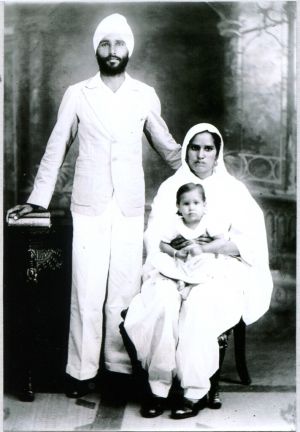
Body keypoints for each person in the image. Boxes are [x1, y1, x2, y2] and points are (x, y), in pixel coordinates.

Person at [7, 13, 182, 399]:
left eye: (119, 43)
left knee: (123, 290)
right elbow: (56, 148)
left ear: (129, 50)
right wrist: (37, 201)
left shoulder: (144, 95)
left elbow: (166, 144)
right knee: (85, 291)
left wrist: (200, 173)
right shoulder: (78, 93)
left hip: (130, 206)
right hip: (88, 205)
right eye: (105, 44)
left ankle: (117, 368)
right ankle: (81, 371)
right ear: (97, 50)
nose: (112, 50)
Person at [123, 122, 273, 419]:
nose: (201, 155)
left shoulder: (234, 190)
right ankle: (159, 388)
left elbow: (250, 243)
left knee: (200, 305)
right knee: (163, 304)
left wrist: (211, 246)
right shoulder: (170, 188)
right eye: (194, 147)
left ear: (217, 153)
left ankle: (194, 390)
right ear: (186, 150)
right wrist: (177, 249)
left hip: (220, 270)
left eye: (208, 149)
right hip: (173, 265)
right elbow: (154, 237)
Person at [148, 182, 231, 300]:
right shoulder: (175, 223)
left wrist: (202, 249)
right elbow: (162, 244)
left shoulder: (208, 221)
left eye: (196, 203)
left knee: (209, 265)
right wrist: (175, 253)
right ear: (178, 206)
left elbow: (221, 241)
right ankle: (180, 280)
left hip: (202, 258)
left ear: (204, 205)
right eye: (186, 204)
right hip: (182, 260)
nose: (191, 208)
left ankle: (189, 285)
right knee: (161, 260)